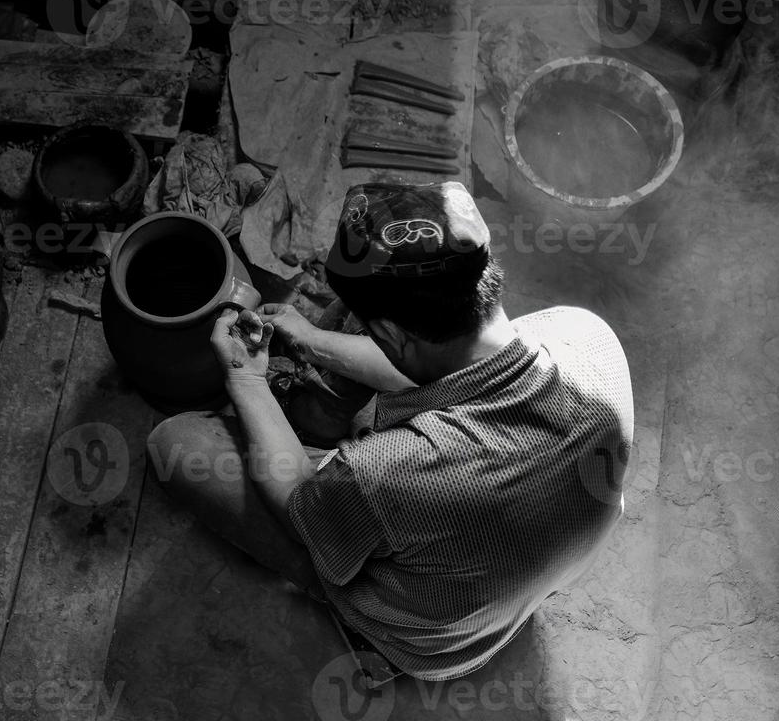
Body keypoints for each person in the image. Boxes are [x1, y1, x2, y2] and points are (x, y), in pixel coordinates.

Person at [147, 181, 633, 680]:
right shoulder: (585, 334)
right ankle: (321, 420)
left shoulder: (389, 470)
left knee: (176, 445)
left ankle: (368, 635)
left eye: (381, 332)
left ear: (395, 337)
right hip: (524, 571)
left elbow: (297, 506)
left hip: (432, 641)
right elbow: (456, 367)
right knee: (348, 339)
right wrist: (313, 341)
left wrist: (245, 378)